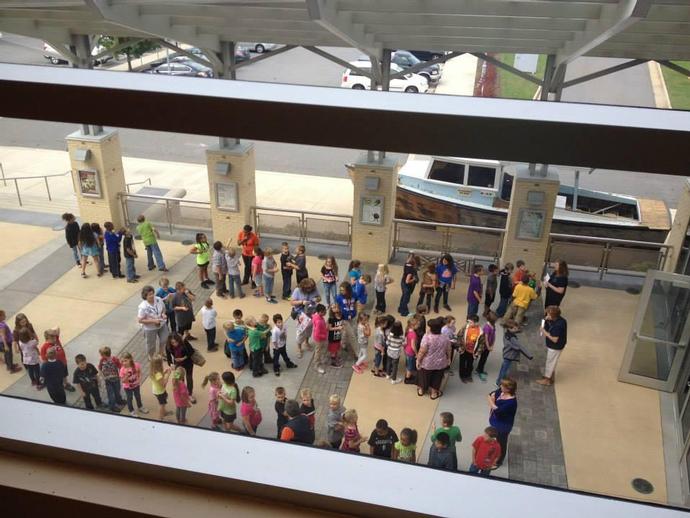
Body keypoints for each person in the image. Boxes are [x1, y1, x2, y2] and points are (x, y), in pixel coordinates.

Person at [416, 317, 451, 399]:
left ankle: (421, 389)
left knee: (423, 376)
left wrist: (418, 360)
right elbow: (448, 349)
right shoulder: (445, 337)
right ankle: (434, 393)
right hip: (440, 362)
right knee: (437, 377)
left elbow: (422, 351)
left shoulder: (427, 337)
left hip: (427, 363)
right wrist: (449, 358)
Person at [489, 377, 518, 466]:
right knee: (496, 440)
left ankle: (499, 460)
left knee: (501, 443)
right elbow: (490, 394)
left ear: (508, 389)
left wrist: (492, 401)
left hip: (503, 426)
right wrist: (492, 403)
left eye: (502, 385)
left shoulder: (511, 403)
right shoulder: (501, 391)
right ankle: (494, 452)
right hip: (496, 421)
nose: (500, 386)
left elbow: (498, 412)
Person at [537, 305, 568, 386]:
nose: (546, 315)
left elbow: (554, 339)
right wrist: (546, 320)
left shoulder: (559, 325)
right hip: (557, 345)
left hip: (555, 346)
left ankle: (547, 380)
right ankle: (550, 376)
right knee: (552, 361)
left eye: (548, 314)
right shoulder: (560, 320)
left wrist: (544, 332)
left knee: (550, 362)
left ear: (553, 316)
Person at [496, 319, 533, 385]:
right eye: (515, 328)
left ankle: (499, 381)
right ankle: (499, 383)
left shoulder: (507, 333)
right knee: (505, 370)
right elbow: (521, 347)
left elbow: (516, 331)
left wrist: (519, 329)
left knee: (503, 368)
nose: (516, 329)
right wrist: (529, 355)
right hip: (509, 355)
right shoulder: (513, 338)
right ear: (509, 328)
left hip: (506, 354)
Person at [137, 285, 169, 359]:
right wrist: (153, 321)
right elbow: (140, 320)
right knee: (151, 345)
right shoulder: (143, 306)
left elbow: (164, 309)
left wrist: (163, 314)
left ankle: (161, 353)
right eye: (149, 295)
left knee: (165, 338)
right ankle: (152, 357)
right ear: (145, 296)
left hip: (161, 324)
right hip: (150, 328)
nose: (152, 296)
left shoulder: (158, 299)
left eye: (152, 293)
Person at [39, 328, 75, 392]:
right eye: (52, 338)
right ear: (47, 338)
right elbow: (44, 359)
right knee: (58, 376)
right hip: (55, 366)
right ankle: (60, 385)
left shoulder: (56, 340)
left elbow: (57, 328)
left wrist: (52, 332)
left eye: (55, 337)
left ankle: (65, 384)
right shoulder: (44, 347)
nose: (54, 339)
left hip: (63, 362)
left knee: (64, 374)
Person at [165, 333, 196, 404]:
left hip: (187, 362)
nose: (175, 344)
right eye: (173, 342)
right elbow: (168, 357)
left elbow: (191, 351)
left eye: (176, 342)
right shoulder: (168, 346)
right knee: (179, 378)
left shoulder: (184, 342)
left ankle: (189, 394)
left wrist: (183, 358)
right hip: (178, 363)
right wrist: (171, 364)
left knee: (189, 377)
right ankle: (182, 392)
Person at [119, 352, 149, 417]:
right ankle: (131, 411)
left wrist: (140, 378)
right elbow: (123, 381)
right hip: (127, 387)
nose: (124, 363)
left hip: (136, 385)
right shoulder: (122, 370)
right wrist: (126, 376)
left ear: (130, 359)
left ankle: (140, 407)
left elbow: (139, 372)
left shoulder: (136, 365)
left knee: (138, 396)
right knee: (129, 398)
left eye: (126, 361)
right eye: (122, 361)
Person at [457, 314, 485, 383]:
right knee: (462, 363)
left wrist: (477, 353)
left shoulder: (480, 332)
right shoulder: (465, 327)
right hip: (464, 349)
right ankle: (462, 376)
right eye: (468, 322)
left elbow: (481, 344)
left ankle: (468, 375)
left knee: (470, 364)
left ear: (476, 323)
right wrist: (460, 347)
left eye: (470, 322)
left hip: (472, 352)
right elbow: (459, 336)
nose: (468, 323)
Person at [336, 282, 357, 361]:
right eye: (340, 290)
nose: (341, 292)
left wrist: (355, 312)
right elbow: (337, 306)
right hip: (344, 318)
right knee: (346, 333)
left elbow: (355, 303)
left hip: (352, 316)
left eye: (343, 290)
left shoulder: (354, 295)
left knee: (352, 331)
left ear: (348, 290)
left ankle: (344, 343)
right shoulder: (339, 297)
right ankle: (344, 344)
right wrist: (338, 316)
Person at [475, 311, 497, 381]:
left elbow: (494, 335)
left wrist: (493, 344)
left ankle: (480, 369)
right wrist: (488, 347)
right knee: (483, 358)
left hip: (489, 345)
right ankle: (479, 370)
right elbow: (486, 338)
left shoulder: (493, 325)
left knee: (484, 358)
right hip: (485, 346)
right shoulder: (487, 327)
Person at [149, 354, 172, 421]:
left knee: (164, 401)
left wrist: (164, 372)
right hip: (159, 391)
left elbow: (159, 378)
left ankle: (164, 412)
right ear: (159, 364)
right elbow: (164, 384)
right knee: (162, 404)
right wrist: (168, 374)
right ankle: (160, 417)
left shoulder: (154, 371)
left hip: (157, 390)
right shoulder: (158, 374)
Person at [311, 304, 328, 375]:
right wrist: (324, 336)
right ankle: (316, 366)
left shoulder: (316, 316)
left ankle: (321, 359)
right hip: (319, 339)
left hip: (320, 338)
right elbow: (317, 333)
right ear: (320, 312)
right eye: (324, 312)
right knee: (318, 352)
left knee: (321, 350)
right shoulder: (319, 321)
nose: (325, 313)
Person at [385, 320, 404, 384]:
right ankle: (393, 379)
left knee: (388, 363)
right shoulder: (401, 337)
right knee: (395, 366)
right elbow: (403, 343)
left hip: (389, 351)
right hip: (396, 352)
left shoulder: (390, 335)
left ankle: (387, 374)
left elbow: (387, 342)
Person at [327, 303, 344, 368]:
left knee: (337, 348)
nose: (336, 308)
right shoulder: (331, 319)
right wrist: (338, 328)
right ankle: (333, 363)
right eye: (334, 307)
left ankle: (335, 358)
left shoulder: (341, 316)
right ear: (331, 310)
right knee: (333, 350)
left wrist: (342, 326)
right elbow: (329, 328)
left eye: (336, 307)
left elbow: (341, 323)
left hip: (338, 336)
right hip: (332, 338)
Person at [403, 316, 418, 384]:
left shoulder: (407, 330)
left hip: (406, 350)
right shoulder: (413, 334)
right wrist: (416, 353)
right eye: (417, 324)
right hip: (411, 352)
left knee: (408, 364)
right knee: (410, 366)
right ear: (413, 325)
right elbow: (413, 346)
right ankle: (407, 379)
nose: (418, 325)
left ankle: (407, 375)